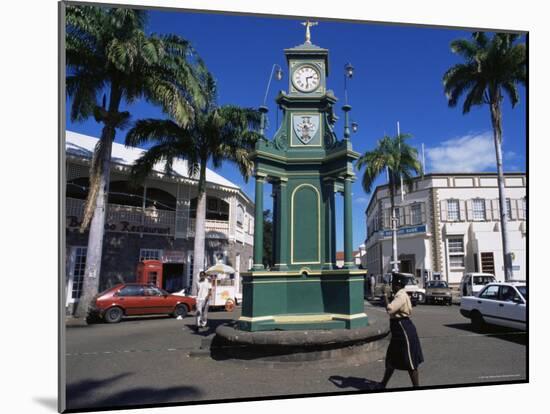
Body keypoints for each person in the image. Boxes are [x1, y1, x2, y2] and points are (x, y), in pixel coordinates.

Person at [378, 272, 424, 388]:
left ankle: (416, 387)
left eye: (393, 283)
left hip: (403, 329)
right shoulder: (401, 293)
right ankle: (383, 384)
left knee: (410, 361)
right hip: (398, 329)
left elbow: (390, 309)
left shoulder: (401, 295)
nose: (391, 285)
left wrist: (384, 295)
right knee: (391, 359)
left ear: (398, 284)